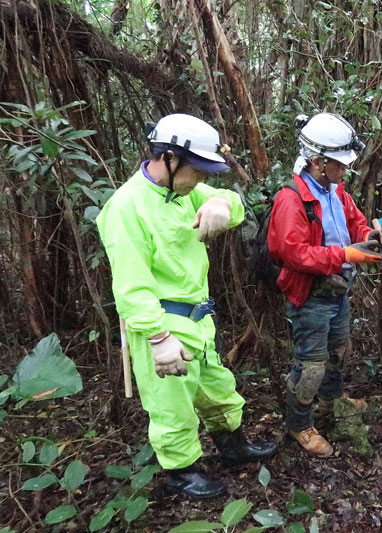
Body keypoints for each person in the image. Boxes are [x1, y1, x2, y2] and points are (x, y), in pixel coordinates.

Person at [96, 114, 277, 500]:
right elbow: (130, 284)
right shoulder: (126, 207)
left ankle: (233, 447)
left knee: (217, 389)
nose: (201, 179)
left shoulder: (183, 192)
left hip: (199, 319)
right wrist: (158, 338)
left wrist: (222, 204)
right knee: (172, 406)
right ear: (170, 158)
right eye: (197, 170)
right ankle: (182, 472)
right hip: (161, 325)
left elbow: (236, 206)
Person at [267, 112, 382, 458]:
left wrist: (372, 235)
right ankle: (299, 424)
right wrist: (346, 255)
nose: (345, 170)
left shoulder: (336, 192)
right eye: (340, 164)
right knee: (310, 363)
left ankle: (332, 401)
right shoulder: (291, 199)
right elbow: (293, 253)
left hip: (337, 289)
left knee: (339, 348)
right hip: (310, 295)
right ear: (319, 162)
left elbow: (354, 222)